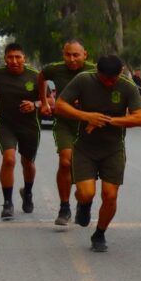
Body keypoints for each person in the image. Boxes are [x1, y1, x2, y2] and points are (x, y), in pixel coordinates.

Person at [53, 55, 141, 251]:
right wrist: (86, 116)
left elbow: (140, 118)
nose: (110, 82)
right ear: (97, 71)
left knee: (110, 195)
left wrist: (108, 120)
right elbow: (60, 105)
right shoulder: (83, 79)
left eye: (114, 79)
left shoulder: (127, 86)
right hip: (85, 148)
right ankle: (83, 205)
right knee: (86, 194)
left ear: (120, 72)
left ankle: (100, 234)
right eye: (105, 78)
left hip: (113, 149)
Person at [0, 43, 41, 219]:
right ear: (5, 58)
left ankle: (27, 192)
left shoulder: (35, 77)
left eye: (18, 57)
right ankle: (8, 203)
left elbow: (48, 101)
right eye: (10, 57)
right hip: (5, 124)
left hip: (29, 126)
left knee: (27, 163)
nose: (14, 61)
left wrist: (34, 104)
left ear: (24, 58)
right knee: (9, 159)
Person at [39, 40, 95, 226]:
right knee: (65, 161)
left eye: (76, 55)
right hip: (64, 123)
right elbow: (41, 77)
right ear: (63, 55)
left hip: (88, 125)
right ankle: (64, 207)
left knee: (84, 168)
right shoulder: (55, 69)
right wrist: (45, 102)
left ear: (85, 54)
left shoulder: (94, 70)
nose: (71, 59)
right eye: (68, 55)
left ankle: (83, 202)